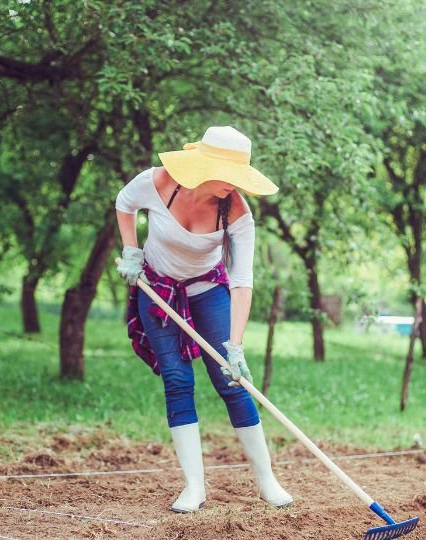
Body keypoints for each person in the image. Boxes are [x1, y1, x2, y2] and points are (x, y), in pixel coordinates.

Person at [114, 126, 293, 513]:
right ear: (204, 166)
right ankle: (194, 487)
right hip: (158, 288)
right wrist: (131, 251)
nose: (235, 184)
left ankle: (267, 482)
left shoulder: (238, 212)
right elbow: (124, 202)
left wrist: (235, 344)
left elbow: (242, 282)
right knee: (178, 381)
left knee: (232, 383)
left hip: (207, 289)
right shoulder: (159, 182)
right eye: (229, 174)